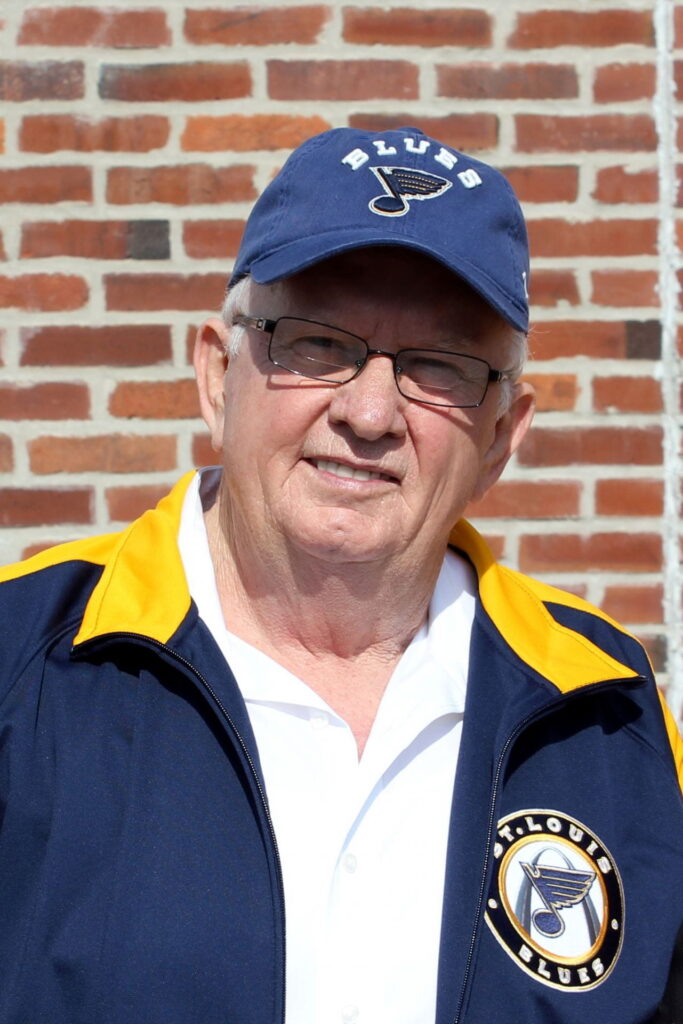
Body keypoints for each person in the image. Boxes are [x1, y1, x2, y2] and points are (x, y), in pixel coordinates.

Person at [0, 126, 681, 1024]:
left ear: (501, 440)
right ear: (216, 374)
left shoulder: (612, 718)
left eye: (438, 367)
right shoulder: (25, 664)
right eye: (316, 344)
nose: (367, 412)